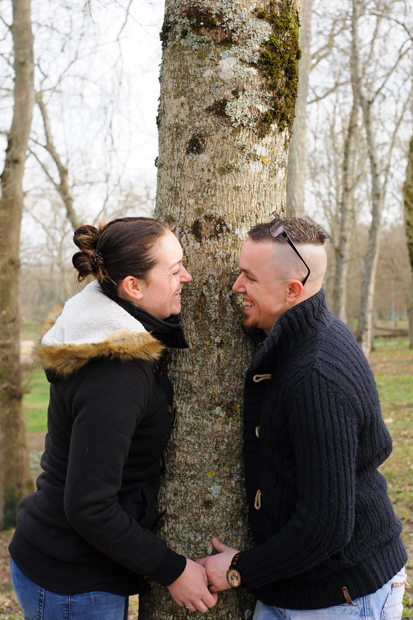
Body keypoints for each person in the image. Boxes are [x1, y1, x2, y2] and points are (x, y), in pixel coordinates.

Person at [197, 215, 407, 619]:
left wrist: (241, 570)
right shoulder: (300, 336)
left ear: (293, 290)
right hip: (292, 588)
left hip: (342, 596)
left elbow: (326, 525)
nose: (236, 286)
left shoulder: (315, 375)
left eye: (249, 278)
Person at [9, 217, 217, 619]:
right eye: (175, 271)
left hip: (69, 562)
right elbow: (89, 506)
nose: (187, 277)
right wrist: (173, 571)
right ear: (132, 287)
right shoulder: (115, 373)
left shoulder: (105, 329)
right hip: (72, 579)